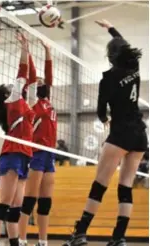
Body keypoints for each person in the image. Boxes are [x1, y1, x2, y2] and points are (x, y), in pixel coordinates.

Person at [62, 19, 148, 246]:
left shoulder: (108, 79)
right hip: (140, 134)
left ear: (110, 56)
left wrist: (105, 120)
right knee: (126, 185)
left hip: (120, 133)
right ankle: (119, 238)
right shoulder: (134, 68)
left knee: (100, 184)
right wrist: (111, 28)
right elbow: (123, 43)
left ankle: (80, 233)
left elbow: (101, 111)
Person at [0, 33, 35, 246]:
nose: (14, 87)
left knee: (16, 207)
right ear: (6, 96)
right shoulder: (13, 102)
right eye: (10, 88)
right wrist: (24, 49)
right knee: (4, 204)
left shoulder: (21, 102)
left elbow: (30, 76)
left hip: (25, 154)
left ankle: (14, 243)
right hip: (12, 153)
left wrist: (30, 50)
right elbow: (23, 73)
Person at [19, 40, 57, 246]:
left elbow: (49, 76)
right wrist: (28, 51)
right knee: (30, 200)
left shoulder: (48, 101)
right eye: (39, 81)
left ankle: (43, 241)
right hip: (37, 152)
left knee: (45, 202)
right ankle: (22, 239)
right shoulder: (32, 102)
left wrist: (48, 51)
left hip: (50, 153)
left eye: (43, 81)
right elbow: (33, 77)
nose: (42, 81)